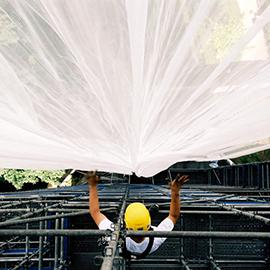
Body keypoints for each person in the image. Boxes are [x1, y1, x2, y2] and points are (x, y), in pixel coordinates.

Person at [88, 171, 189, 258]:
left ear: (125, 224)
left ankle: (149, 212)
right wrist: (175, 192)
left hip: (127, 246)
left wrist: (92, 186)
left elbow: (95, 212)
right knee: (153, 211)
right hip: (146, 246)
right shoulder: (156, 238)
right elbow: (173, 216)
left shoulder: (115, 234)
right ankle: (151, 212)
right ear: (149, 223)